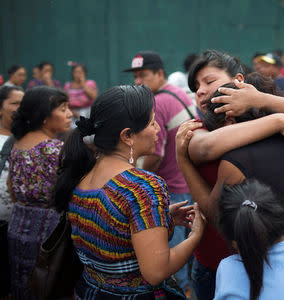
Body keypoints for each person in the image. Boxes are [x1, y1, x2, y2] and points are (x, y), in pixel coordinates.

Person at [179, 49, 284, 299]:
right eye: (195, 87)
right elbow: (205, 148)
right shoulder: (197, 129)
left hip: (277, 261)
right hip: (218, 262)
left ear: (239, 81)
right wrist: (281, 121)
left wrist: (264, 103)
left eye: (209, 81)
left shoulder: (270, 115)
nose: (200, 90)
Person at [53, 84, 206, 299]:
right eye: (152, 123)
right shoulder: (142, 187)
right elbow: (156, 272)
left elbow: (113, 231)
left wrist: (162, 218)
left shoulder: (83, 175)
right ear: (127, 136)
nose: (158, 129)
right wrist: (196, 235)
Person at [124, 51, 197, 296]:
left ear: (159, 74)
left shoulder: (157, 103)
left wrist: (138, 177)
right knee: (186, 245)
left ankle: (180, 291)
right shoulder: (177, 93)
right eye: (135, 76)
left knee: (171, 253)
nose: (138, 82)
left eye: (142, 75)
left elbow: (155, 154)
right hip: (187, 180)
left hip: (171, 187)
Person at [7, 86, 73, 299]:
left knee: (24, 283)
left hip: (18, 224)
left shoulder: (18, 144)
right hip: (48, 230)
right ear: (44, 116)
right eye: (63, 109)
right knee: (48, 283)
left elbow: (12, 189)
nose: (70, 113)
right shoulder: (54, 149)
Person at [0, 86, 24, 299]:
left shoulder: (26, 140)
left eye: (22, 103)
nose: (20, 108)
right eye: (14, 103)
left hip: (17, 227)